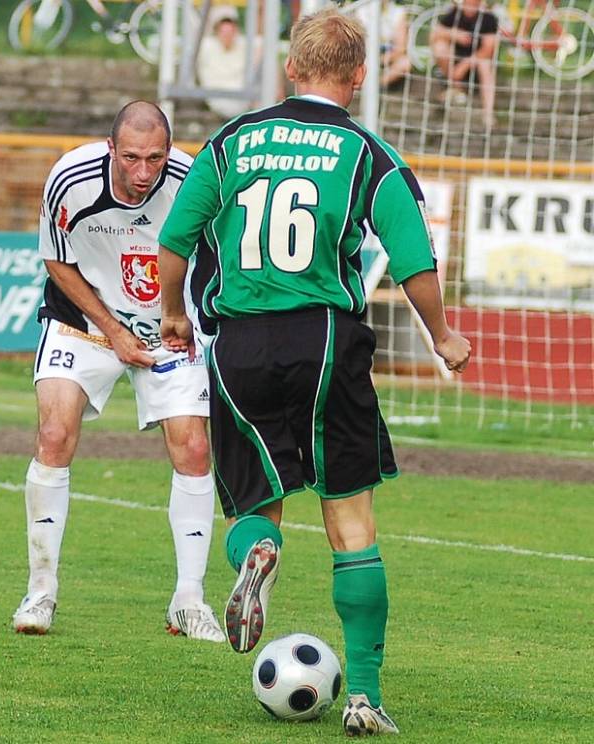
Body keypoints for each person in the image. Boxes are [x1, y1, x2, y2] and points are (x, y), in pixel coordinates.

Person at [158, 10, 471, 737]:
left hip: (239, 344)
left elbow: (176, 239)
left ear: (290, 68)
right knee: (351, 520)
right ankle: (363, 696)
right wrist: (443, 335)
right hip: (328, 340)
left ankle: (257, 554)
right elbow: (415, 261)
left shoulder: (232, 141)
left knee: (251, 507)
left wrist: (173, 312)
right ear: (359, 77)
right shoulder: (368, 152)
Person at [12, 100, 225, 644]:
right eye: (130, 157)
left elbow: (215, 260)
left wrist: (179, 318)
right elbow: (56, 260)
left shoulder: (193, 181)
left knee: (195, 448)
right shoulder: (69, 179)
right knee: (55, 433)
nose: (142, 172)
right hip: (84, 320)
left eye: (155, 158)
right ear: (111, 148)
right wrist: (112, 328)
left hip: (168, 325)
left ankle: (189, 599)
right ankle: (41, 590)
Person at [430, 0, 498, 129]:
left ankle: (488, 114)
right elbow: (433, 37)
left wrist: (465, 64)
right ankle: (456, 87)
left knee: (485, 64)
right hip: (453, 67)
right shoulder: (454, 14)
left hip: (476, 68)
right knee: (440, 47)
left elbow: (489, 49)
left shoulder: (488, 18)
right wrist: (453, 34)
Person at [197, 5, 252, 120]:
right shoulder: (206, 46)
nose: (227, 36)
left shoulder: (245, 45)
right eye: (224, 32)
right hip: (217, 100)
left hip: (242, 101)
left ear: (236, 31)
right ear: (217, 32)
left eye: (230, 32)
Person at [354, 0, 413, 88]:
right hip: (363, 57)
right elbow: (355, 42)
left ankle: (375, 86)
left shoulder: (398, 12)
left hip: (387, 58)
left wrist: (381, 60)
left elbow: (400, 48)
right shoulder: (361, 10)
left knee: (405, 63)